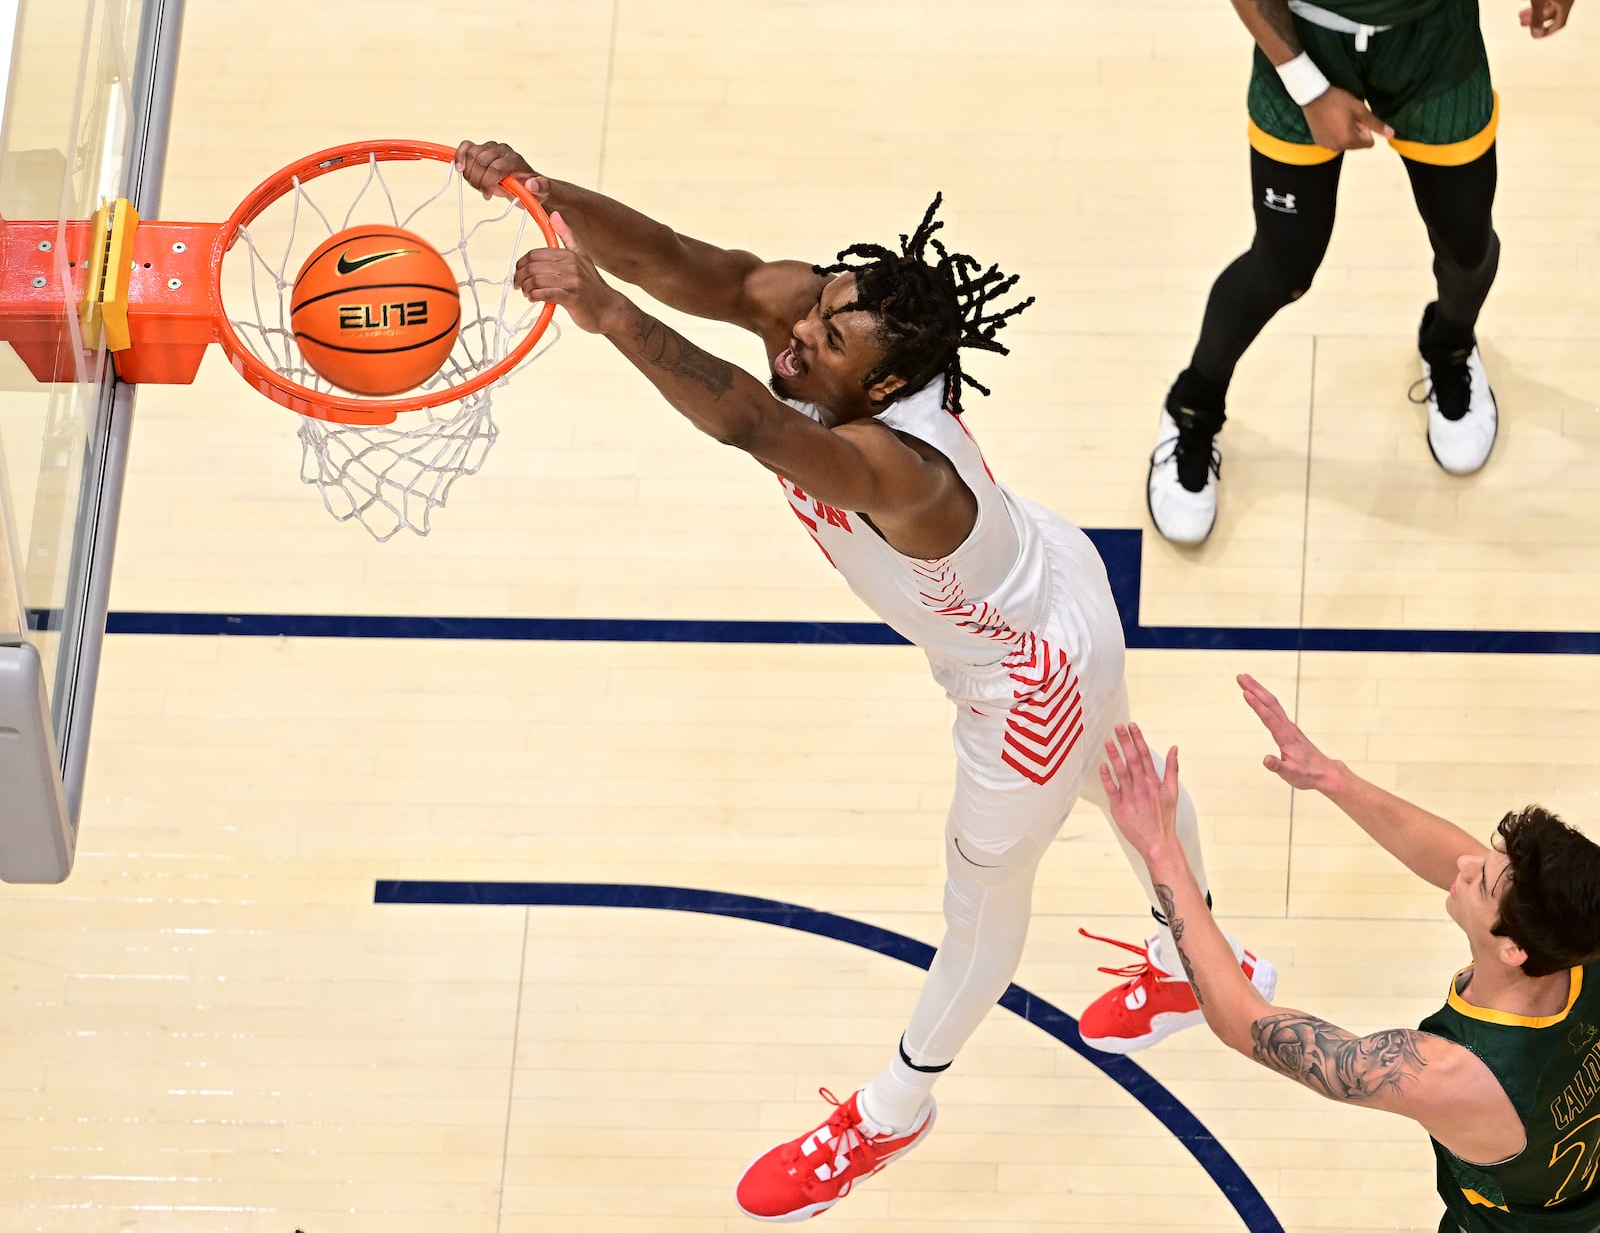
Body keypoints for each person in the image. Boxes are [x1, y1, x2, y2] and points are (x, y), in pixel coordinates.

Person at [453, 139, 1276, 1221]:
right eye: (814, 313)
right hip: (1054, 581)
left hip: (1023, 682)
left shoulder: (904, 470)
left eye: (826, 338)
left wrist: (610, 319)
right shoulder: (832, 324)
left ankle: (896, 1106)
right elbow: (686, 261)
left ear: (885, 383)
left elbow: (748, 420)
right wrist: (548, 199)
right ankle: (1207, 960)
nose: (796, 335)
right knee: (1120, 778)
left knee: (982, 892)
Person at [1098, 674, 1600, 1230]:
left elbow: (1242, 1021)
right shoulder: (1578, 931)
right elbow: (1457, 860)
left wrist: (1161, 850)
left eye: (1481, 880)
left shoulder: (1453, 1074)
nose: (1464, 863)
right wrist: (1332, 778)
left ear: (1512, 950)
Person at [1147, 0, 1578, 544]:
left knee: (1467, 247)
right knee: (1284, 267)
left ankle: (1449, 347)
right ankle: (1193, 407)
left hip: (1435, 34)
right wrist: (1307, 85)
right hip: (1304, 39)